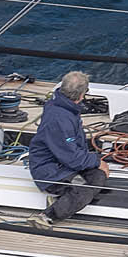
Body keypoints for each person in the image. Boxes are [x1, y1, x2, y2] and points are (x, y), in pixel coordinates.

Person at [28, 71, 110, 222]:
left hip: (64, 163)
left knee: (98, 176)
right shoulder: (60, 119)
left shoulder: (62, 106)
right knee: (84, 189)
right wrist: (97, 161)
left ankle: (63, 200)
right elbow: (71, 157)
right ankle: (47, 216)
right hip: (51, 171)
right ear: (80, 95)